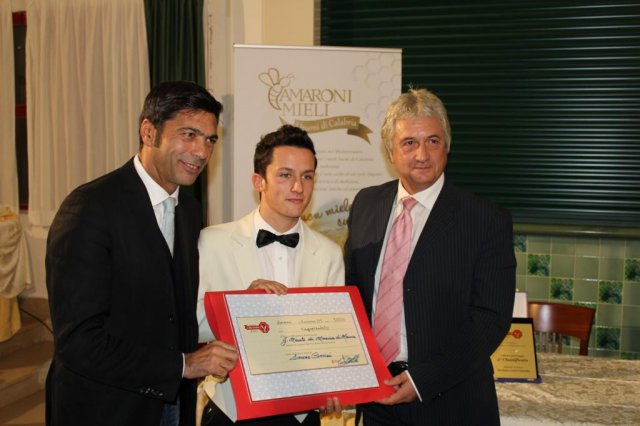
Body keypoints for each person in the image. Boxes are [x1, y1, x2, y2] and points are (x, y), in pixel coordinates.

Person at [45, 81, 238, 426]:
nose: (201, 152)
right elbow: (78, 342)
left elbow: (175, 313)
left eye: (210, 140)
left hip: (173, 403)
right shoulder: (89, 209)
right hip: (106, 409)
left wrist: (245, 305)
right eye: (189, 135)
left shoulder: (189, 210)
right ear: (149, 132)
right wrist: (184, 365)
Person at [343, 88, 516, 425]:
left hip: (451, 401)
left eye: (432, 141)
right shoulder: (366, 204)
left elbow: (490, 319)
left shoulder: (486, 219)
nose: (422, 154)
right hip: (377, 398)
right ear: (390, 151)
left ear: (447, 146)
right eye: (409, 143)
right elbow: (352, 295)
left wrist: (424, 379)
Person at [196, 125, 345, 426]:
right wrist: (241, 305)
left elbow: (335, 340)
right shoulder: (212, 242)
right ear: (258, 181)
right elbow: (191, 326)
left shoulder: (330, 253)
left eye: (307, 176)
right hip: (231, 408)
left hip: (304, 413)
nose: (298, 187)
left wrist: (336, 381)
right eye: (285, 175)